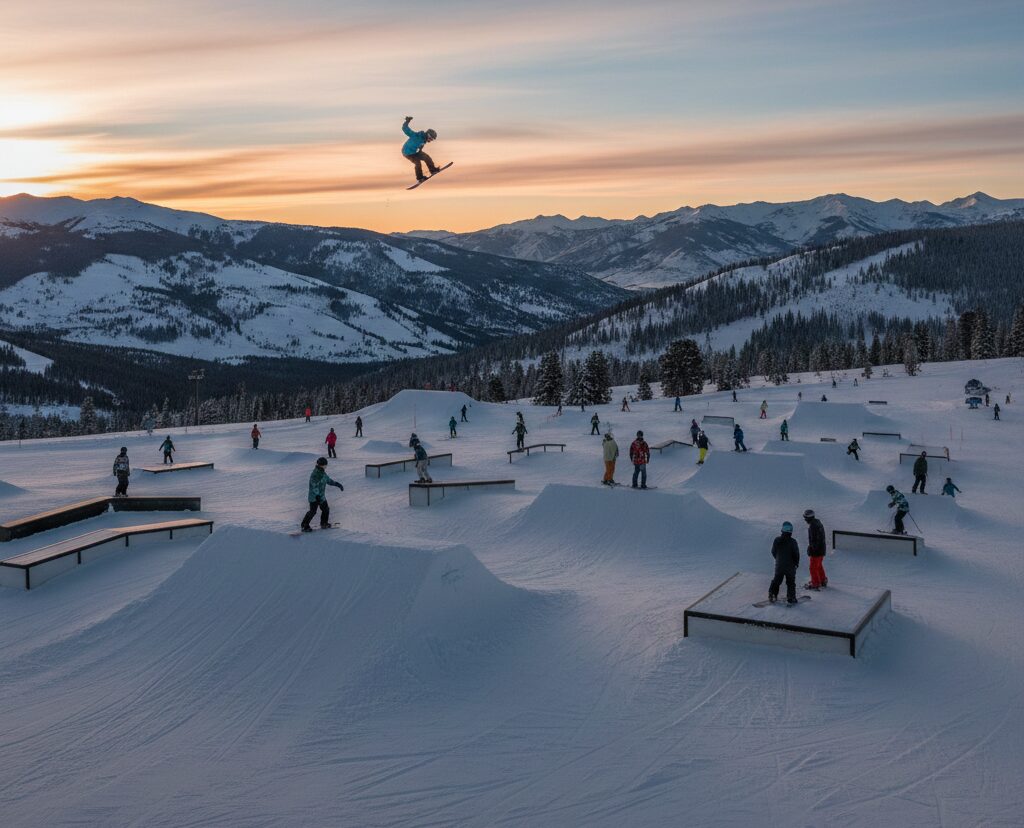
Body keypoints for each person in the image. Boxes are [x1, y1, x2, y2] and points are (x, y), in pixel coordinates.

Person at [300, 457, 343, 532]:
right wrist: (317, 496)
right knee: (313, 511)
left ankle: (324, 523)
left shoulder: (322, 473)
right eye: (325, 465)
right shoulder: (315, 474)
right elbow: (314, 486)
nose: (326, 466)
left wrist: (337, 484)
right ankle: (304, 525)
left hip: (321, 496)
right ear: (321, 465)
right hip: (314, 497)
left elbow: (328, 480)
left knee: (325, 509)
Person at [401, 115, 441, 183]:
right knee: (418, 163)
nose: (430, 141)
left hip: (415, 152)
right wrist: (407, 121)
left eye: (432, 140)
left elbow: (420, 149)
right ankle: (420, 178)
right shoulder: (415, 135)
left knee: (427, 157)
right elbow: (405, 129)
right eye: (431, 139)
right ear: (428, 135)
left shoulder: (424, 140)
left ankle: (433, 170)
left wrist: (420, 152)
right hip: (407, 153)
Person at [768, 521, 800, 604]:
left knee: (777, 580)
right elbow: (796, 554)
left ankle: (772, 593)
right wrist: (796, 563)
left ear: (782, 530)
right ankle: (791, 597)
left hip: (780, 565)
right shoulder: (793, 542)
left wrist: (779, 559)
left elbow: (773, 551)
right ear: (791, 531)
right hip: (790, 566)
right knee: (790, 582)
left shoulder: (777, 540)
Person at [803, 509, 827, 589]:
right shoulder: (818, 523)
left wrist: (811, 549)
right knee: (818, 566)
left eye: (805, 518)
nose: (804, 519)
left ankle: (815, 583)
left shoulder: (813, 526)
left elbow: (814, 540)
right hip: (821, 550)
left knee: (812, 567)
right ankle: (822, 580)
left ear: (808, 518)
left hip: (816, 551)